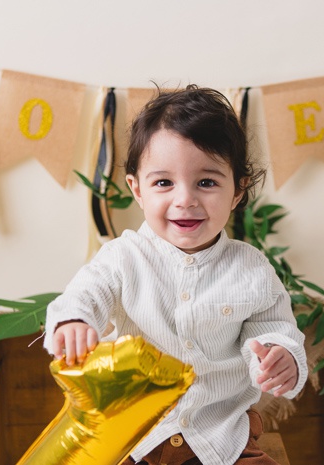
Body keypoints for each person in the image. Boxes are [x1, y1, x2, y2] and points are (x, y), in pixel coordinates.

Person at [44, 85, 308, 465]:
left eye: (207, 182)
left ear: (238, 191)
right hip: (137, 439)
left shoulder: (251, 269)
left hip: (223, 439)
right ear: (137, 189)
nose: (185, 199)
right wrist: (74, 320)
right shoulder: (123, 257)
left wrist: (282, 357)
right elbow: (86, 294)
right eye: (164, 183)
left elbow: (273, 330)